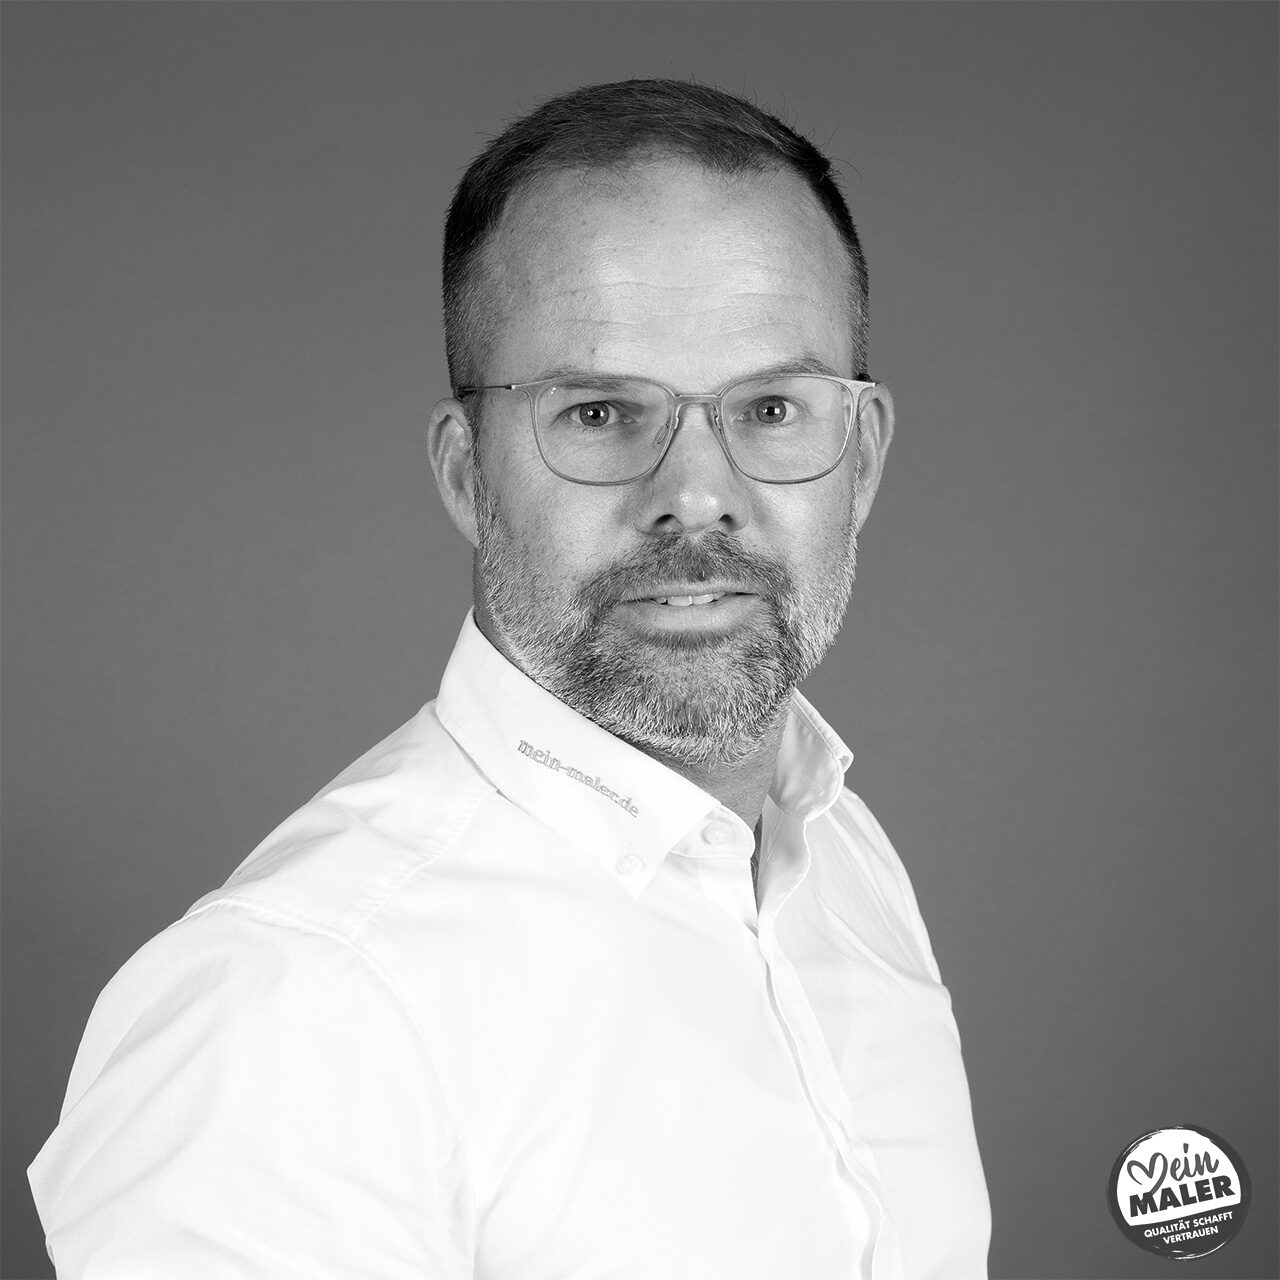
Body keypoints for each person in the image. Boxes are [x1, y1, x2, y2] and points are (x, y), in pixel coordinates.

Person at [29, 79, 990, 1279]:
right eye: (597, 412)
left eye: (770, 407)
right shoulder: (292, 1010)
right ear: (464, 473)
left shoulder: (840, 856)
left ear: (861, 457)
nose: (697, 493)